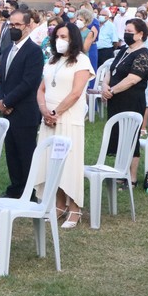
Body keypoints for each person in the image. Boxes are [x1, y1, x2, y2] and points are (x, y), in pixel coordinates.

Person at [34, 21, 93, 228]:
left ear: (73, 39)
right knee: (52, 161)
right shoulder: (51, 60)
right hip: (49, 118)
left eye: (64, 37)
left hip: (68, 119)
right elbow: (41, 88)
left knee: (70, 162)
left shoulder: (82, 61)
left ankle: (75, 208)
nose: (60, 40)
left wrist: (56, 112)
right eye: (57, 36)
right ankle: (59, 204)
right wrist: (44, 110)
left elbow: (76, 92)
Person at [0, 9, 44, 198]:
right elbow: (0, 78)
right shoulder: (8, 50)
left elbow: (29, 82)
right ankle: (16, 187)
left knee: (25, 152)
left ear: (27, 26)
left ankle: (29, 190)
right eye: (11, 25)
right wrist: (0, 100)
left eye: (17, 25)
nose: (13, 28)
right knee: (12, 153)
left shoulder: (34, 51)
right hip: (7, 110)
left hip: (24, 110)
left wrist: (8, 101)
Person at [101, 18, 148, 183]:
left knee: (131, 137)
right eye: (125, 31)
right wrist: (104, 85)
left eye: (130, 32)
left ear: (140, 35)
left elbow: (132, 79)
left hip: (131, 100)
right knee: (119, 135)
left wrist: (112, 90)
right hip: (116, 99)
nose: (126, 34)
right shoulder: (125, 50)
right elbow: (112, 70)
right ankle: (120, 171)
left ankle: (131, 177)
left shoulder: (143, 55)